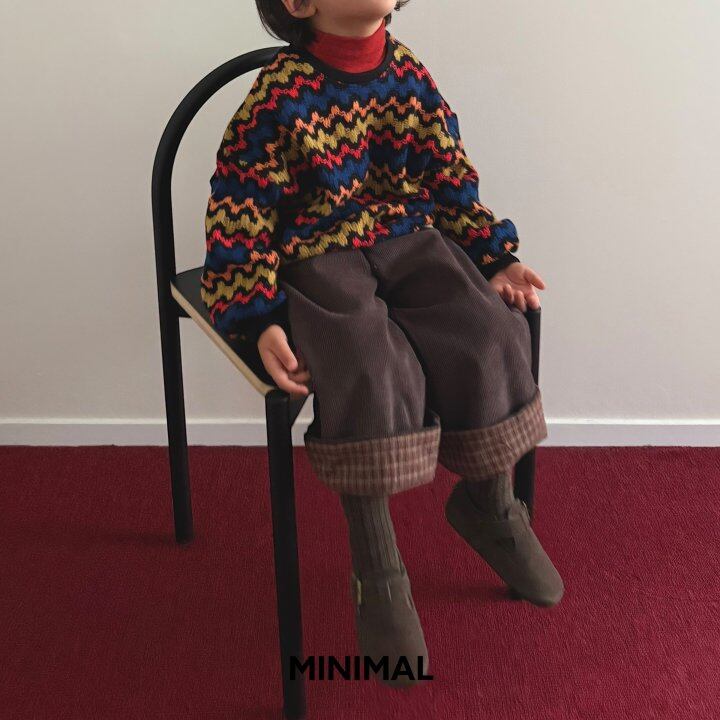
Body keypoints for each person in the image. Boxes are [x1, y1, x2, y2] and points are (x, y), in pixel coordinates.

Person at [200, 0, 564, 688]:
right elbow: (239, 210)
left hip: (407, 235)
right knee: (365, 360)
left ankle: (490, 505)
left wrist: (493, 255)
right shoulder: (277, 97)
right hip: (316, 250)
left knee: (489, 331)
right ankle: (377, 565)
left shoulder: (410, 76)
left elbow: (450, 178)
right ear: (300, 2)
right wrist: (256, 316)